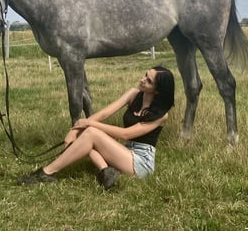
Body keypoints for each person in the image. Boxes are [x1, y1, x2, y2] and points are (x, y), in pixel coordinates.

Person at [18, 66, 175, 189]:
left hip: (141, 162)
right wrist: (74, 131)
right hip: (126, 151)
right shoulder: (134, 94)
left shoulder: (161, 115)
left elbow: (125, 134)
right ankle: (106, 171)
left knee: (91, 133)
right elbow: (104, 114)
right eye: (145, 75)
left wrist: (88, 123)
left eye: (148, 81)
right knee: (85, 139)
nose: (142, 79)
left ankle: (46, 172)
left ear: (158, 90)